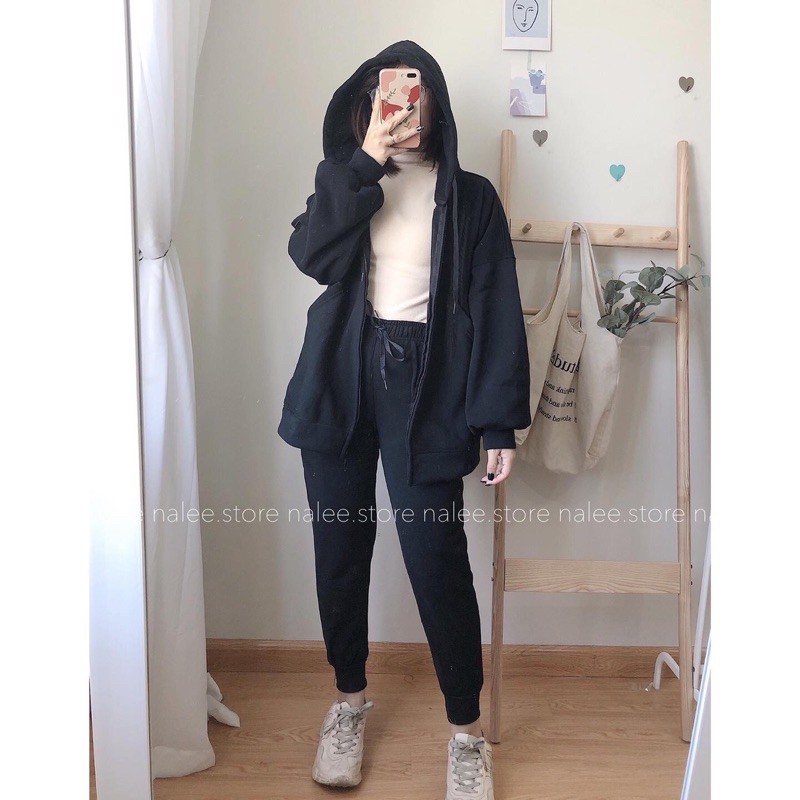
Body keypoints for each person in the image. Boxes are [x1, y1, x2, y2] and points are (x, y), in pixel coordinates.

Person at [277, 40, 531, 800]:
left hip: (430, 384)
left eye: (415, 98)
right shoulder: (348, 182)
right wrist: (363, 163)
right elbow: (310, 255)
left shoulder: (472, 197)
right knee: (339, 548)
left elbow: (495, 307)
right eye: (388, 97)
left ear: (436, 106)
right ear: (365, 108)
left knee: (435, 557)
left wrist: (497, 424)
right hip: (342, 378)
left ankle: (467, 735)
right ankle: (348, 702)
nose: (402, 111)